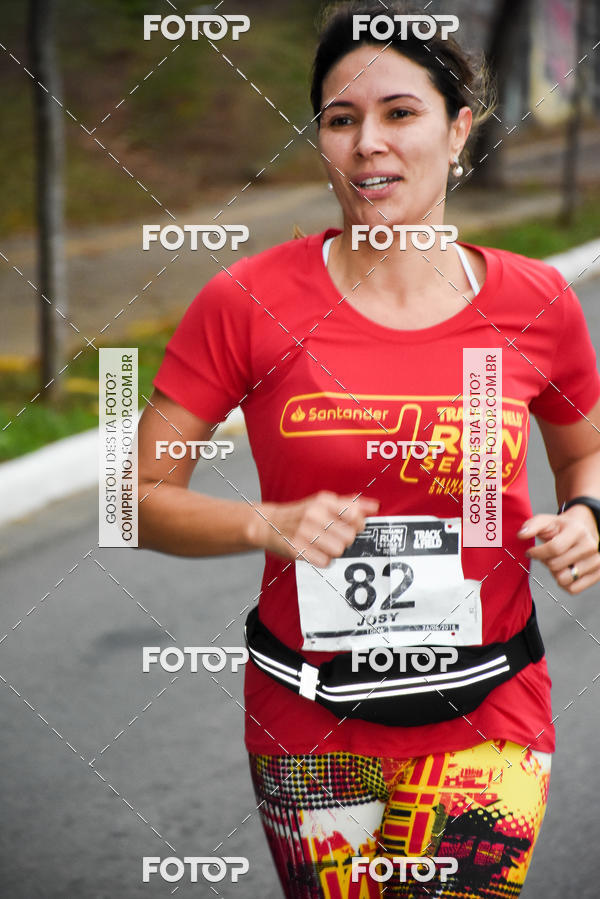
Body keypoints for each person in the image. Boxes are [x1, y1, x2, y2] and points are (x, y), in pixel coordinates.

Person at [137, 1, 600, 895]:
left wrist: (586, 513)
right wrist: (263, 523)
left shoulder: (538, 299)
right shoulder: (245, 300)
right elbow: (136, 499)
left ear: (459, 130)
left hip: (488, 703)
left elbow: (585, 455)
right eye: (341, 120)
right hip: (307, 713)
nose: (367, 144)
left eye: (399, 113)